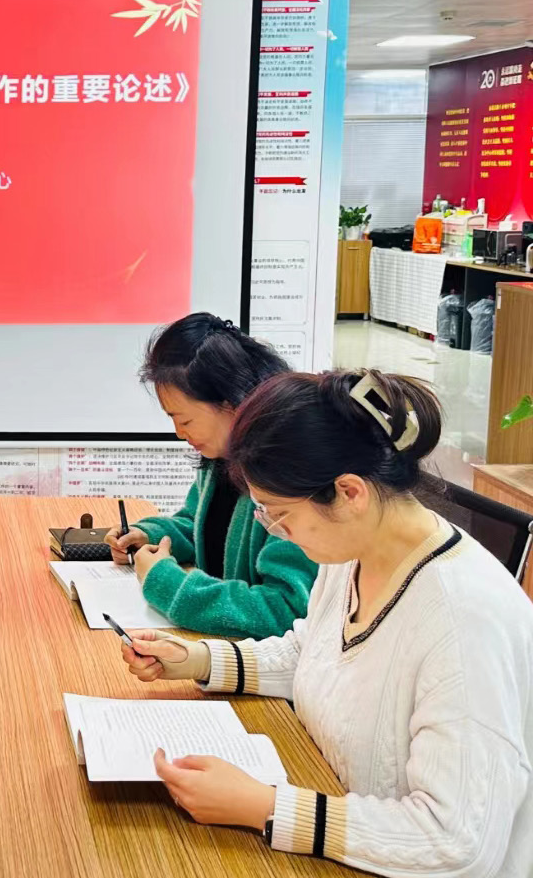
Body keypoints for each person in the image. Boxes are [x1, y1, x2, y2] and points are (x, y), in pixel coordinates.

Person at [120, 370, 533, 877]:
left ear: (349, 492)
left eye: (278, 514)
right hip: (334, 815)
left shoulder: (463, 620)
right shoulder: (352, 551)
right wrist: (199, 659)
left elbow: (455, 842)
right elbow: (311, 652)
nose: (278, 533)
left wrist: (265, 806)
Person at [105, 313, 317, 638]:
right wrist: (149, 535)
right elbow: (200, 528)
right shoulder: (222, 454)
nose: (179, 433)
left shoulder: (289, 474)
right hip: (216, 647)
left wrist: (169, 585)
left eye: (185, 420)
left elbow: (286, 609)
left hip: (254, 660)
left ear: (230, 403)